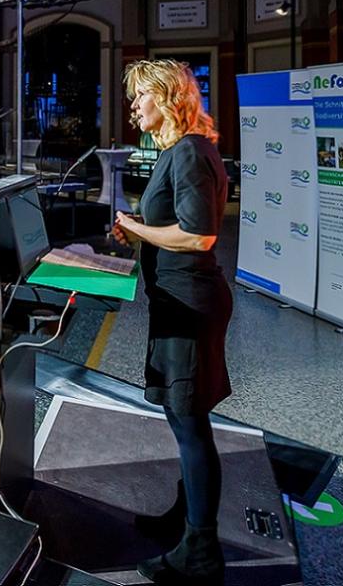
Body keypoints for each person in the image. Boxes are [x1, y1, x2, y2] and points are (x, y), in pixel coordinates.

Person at [111, 59, 231, 583]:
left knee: (190, 426)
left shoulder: (187, 153)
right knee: (183, 421)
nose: (133, 106)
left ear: (166, 97)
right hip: (176, 301)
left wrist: (138, 228)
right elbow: (171, 224)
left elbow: (199, 235)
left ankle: (201, 552)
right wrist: (138, 231)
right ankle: (188, 522)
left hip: (190, 303)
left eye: (141, 97)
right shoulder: (181, 152)